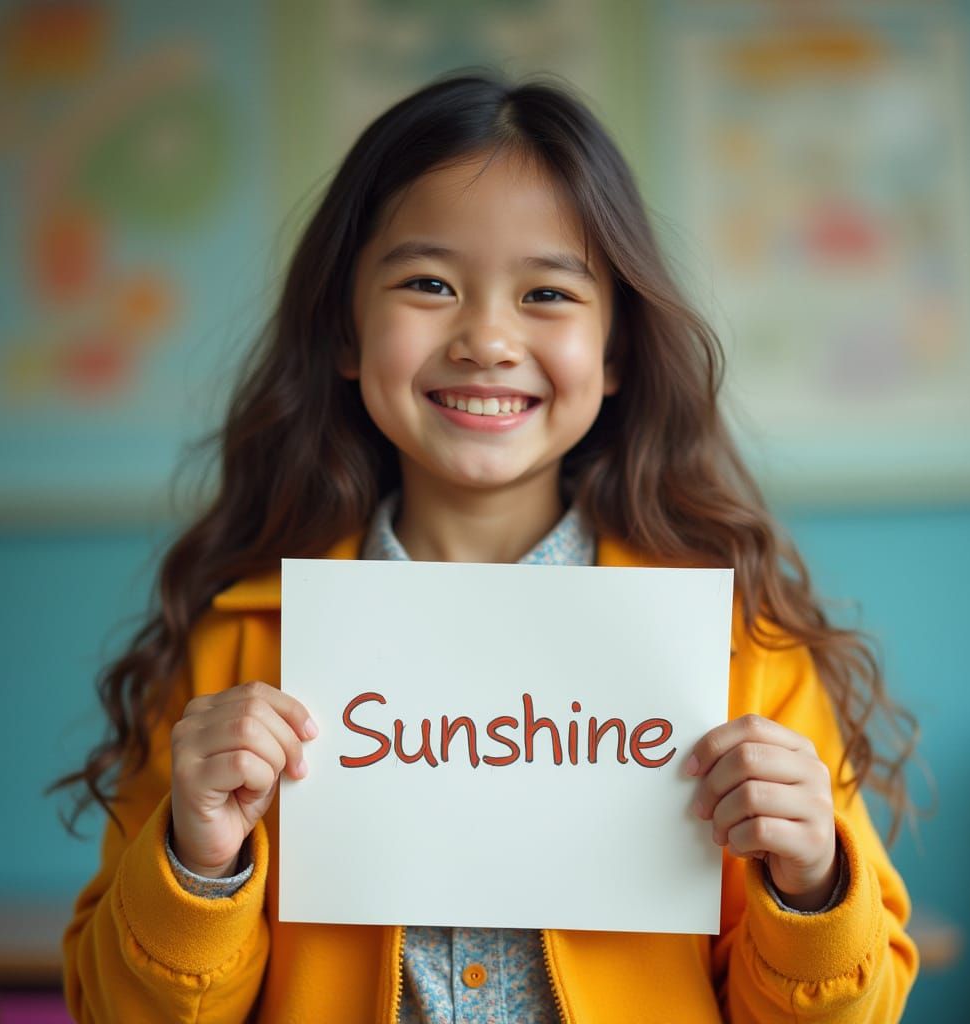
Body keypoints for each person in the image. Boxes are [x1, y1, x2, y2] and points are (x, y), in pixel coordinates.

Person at [51, 70, 919, 1022]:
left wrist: (811, 884)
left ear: (618, 351)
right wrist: (195, 860)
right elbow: (109, 1008)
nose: (487, 339)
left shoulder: (741, 657)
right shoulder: (238, 653)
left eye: (547, 292)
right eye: (429, 284)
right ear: (346, 328)